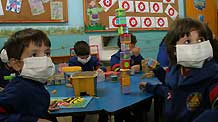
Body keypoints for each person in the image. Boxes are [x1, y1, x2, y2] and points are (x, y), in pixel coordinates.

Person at [139, 18, 218, 122]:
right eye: (187, 41)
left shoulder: (212, 75)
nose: (196, 46)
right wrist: (151, 87)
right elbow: (170, 92)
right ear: (174, 50)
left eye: (200, 40)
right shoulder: (175, 71)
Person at [0, 28, 56, 122]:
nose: (44, 59)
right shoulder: (18, 88)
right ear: (17, 64)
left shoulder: (33, 82)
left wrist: (41, 107)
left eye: (47, 53)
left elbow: (23, 106)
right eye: (34, 55)